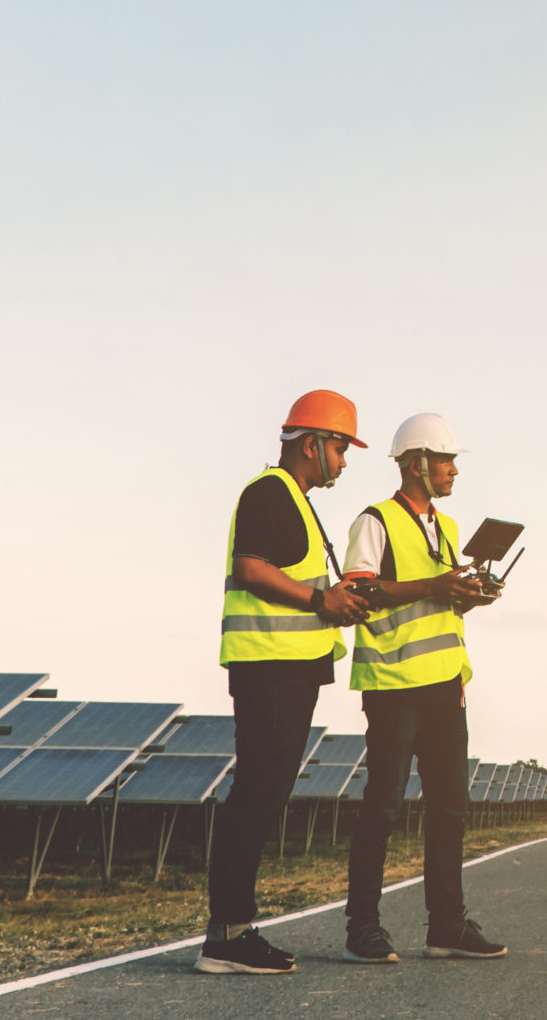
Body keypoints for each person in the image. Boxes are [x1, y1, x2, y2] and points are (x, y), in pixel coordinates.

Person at [196, 390, 371, 975]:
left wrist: (336, 603)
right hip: (269, 668)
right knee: (257, 796)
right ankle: (226, 937)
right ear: (313, 444)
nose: (344, 462)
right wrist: (322, 599)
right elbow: (250, 567)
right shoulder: (270, 492)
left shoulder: (292, 499)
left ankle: (232, 932)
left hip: (287, 670)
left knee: (264, 795)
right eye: (342, 448)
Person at [339, 412, 505, 964]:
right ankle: (362, 927)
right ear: (416, 464)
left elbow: (437, 605)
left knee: (450, 808)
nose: (454, 470)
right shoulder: (375, 521)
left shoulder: (449, 529)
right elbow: (360, 590)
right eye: (446, 460)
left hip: (444, 686)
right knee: (383, 807)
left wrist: (466, 598)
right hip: (392, 685)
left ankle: (446, 927)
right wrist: (435, 585)